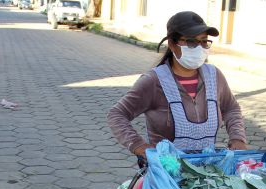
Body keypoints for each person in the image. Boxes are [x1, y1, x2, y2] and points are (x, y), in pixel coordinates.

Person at [107, 11, 249, 167]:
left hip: (207, 171)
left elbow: (231, 108)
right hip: (167, 174)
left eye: (204, 42)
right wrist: (138, 146)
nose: (199, 48)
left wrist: (237, 138)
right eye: (191, 42)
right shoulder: (154, 81)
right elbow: (117, 114)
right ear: (172, 44)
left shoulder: (214, 76)